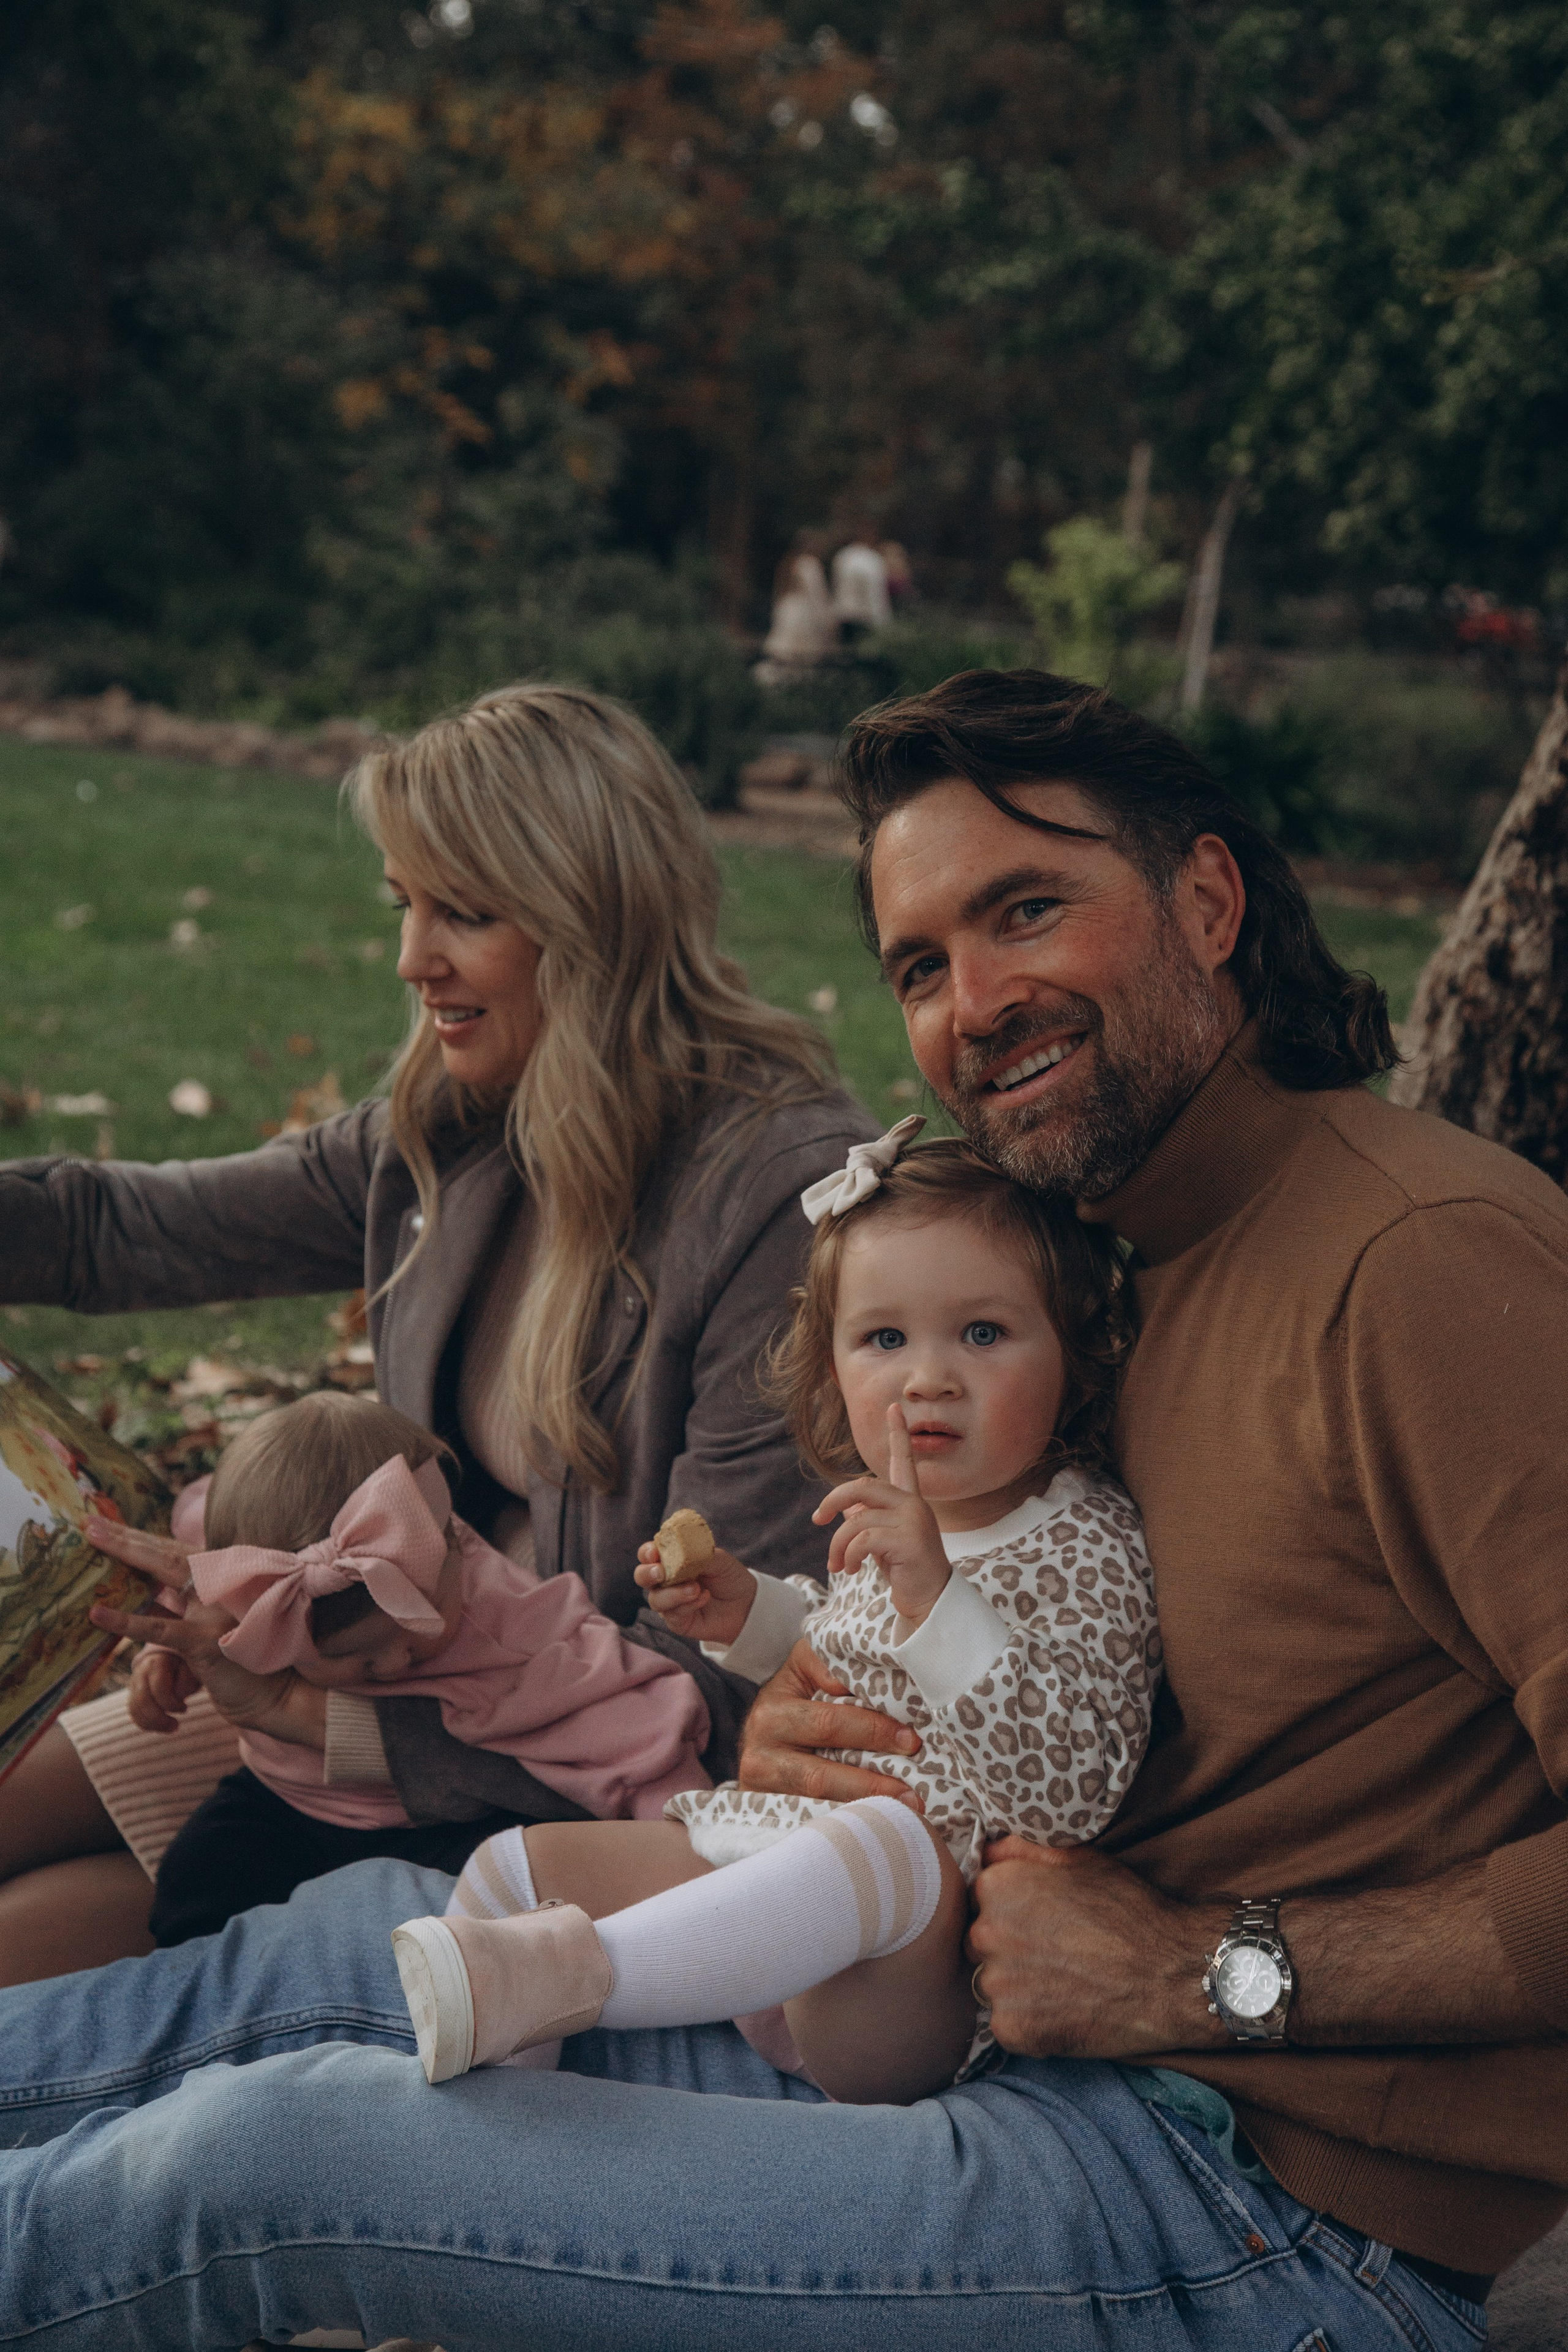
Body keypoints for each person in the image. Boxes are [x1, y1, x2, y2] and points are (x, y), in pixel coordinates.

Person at [0, 666, 1561, 2350]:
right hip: (946, 2008)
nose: (976, 1003)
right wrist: (807, 1707)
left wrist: (1209, 1967)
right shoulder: (1099, 1256)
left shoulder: (1423, 1267)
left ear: (1206, 900)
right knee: (323, 1959)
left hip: (1253, 2206)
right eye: (920, 965)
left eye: (1027, 909)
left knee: (275, 2161)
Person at [0, 681, 875, 1982]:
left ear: (594, 922)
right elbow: (124, 1232)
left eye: (462, 912)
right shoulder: (460, 1128)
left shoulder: (768, 1199)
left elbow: (720, 1687)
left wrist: (328, 1726)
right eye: (404, 905)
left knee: (22, 1958)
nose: (413, 960)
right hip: (362, 1689)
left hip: (558, 1786)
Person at [390, 1133, 1155, 2103]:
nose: (928, 1378)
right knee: (515, 1869)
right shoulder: (888, 1518)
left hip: (906, 1978)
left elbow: (1071, 1795)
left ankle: (576, 1977)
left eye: (982, 1333)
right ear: (831, 1367)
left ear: (1077, 1356)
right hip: (764, 1888)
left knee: (887, 1842)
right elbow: (846, 1654)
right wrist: (753, 1614)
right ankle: (499, 2106)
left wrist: (938, 1598)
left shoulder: (1087, 1542)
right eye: (885, 1340)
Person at [93, 1392, 710, 1947]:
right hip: (286, 1799)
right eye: (352, 1657)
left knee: (462, 1927)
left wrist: (699, 1861)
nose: (392, 1663)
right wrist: (168, 1654)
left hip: (435, 1823)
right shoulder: (249, 1570)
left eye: (416, 1629)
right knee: (194, 1884)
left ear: (451, 1549)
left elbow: (633, 1724)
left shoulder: (511, 1627)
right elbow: (199, 1603)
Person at [755, 541, 838, 682]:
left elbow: (780, 591)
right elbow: (816, 595)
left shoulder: (789, 563)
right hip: (803, 612)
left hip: (788, 609)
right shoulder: (810, 565)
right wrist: (827, 618)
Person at [830, 532, 892, 641]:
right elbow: (874, 591)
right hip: (865, 617)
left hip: (844, 614)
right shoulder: (872, 559)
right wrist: (881, 618)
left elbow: (836, 585)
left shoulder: (843, 556)